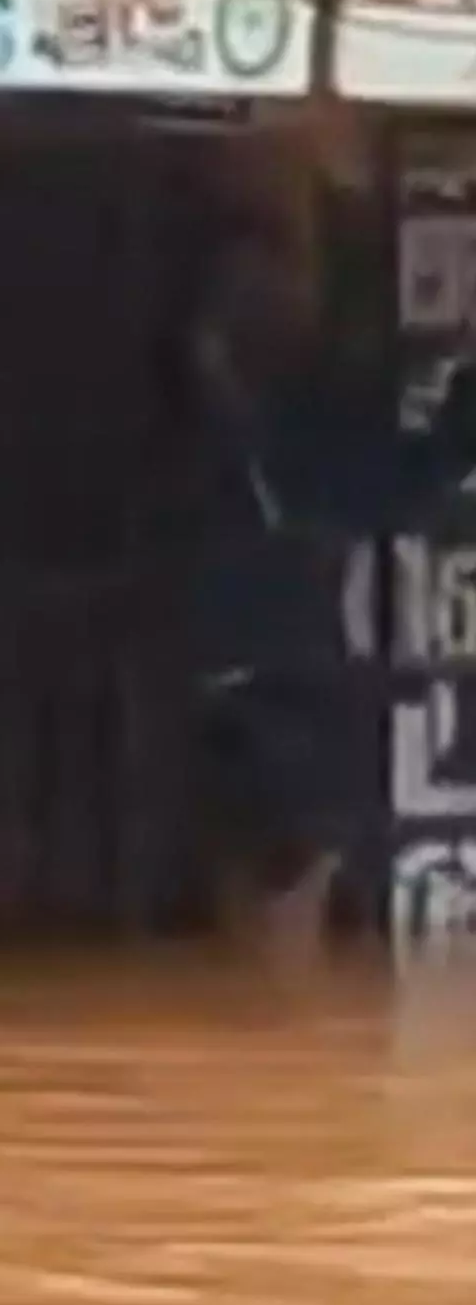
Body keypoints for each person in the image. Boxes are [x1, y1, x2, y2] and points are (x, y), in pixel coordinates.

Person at [177, 222, 476, 954]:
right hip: (277, 665)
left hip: (252, 664)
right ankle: (277, 975)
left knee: (284, 843)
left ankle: (268, 969)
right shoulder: (279, 422)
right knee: (301, 842)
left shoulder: (249, 411)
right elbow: (399, 489)